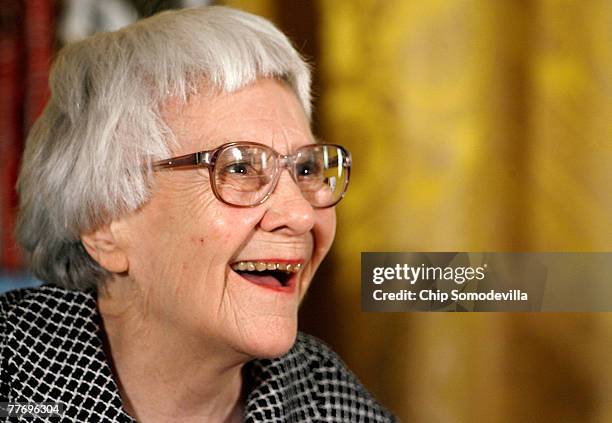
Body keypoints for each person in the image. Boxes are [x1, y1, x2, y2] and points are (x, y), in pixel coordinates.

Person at [0, 6, 395, 422]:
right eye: (239, 168)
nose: (300, 215)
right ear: (104, 223)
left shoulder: (330, 401)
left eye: (306, 169)